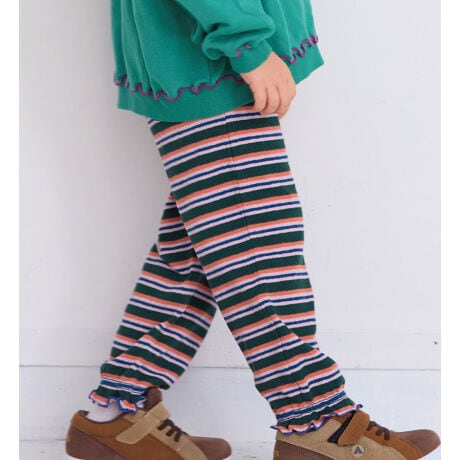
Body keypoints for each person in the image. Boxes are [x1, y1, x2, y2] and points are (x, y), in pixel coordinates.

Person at [64, 1, 440, 459]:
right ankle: (318, 421)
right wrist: (245, 43)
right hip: (209, 57)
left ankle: (116, 412)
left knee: (198, 252)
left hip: (201, 54)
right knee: (258, 253)